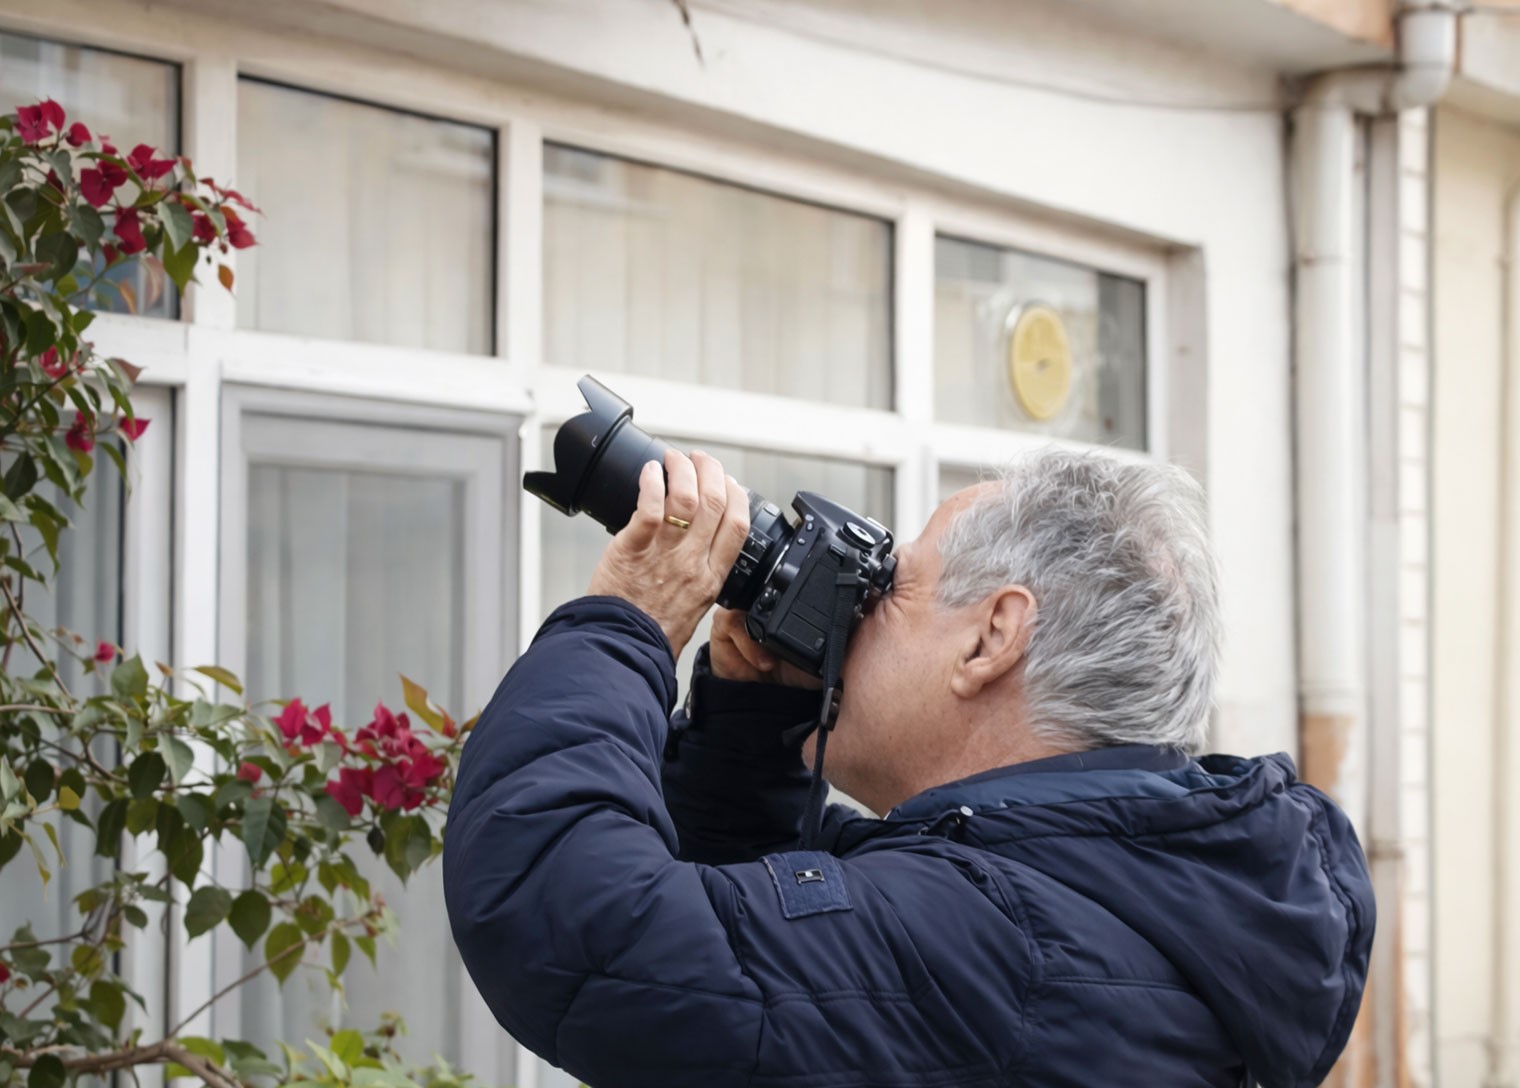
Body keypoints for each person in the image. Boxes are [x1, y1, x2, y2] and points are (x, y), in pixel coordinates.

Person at [443, 446, 1375, 1088]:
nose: (859, 609)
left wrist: (628, 623)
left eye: (896, 583)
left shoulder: (1004, 947)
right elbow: (762, 933)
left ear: (993, 639)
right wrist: (753, 721)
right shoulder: (1117, 895)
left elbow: (568, 914)